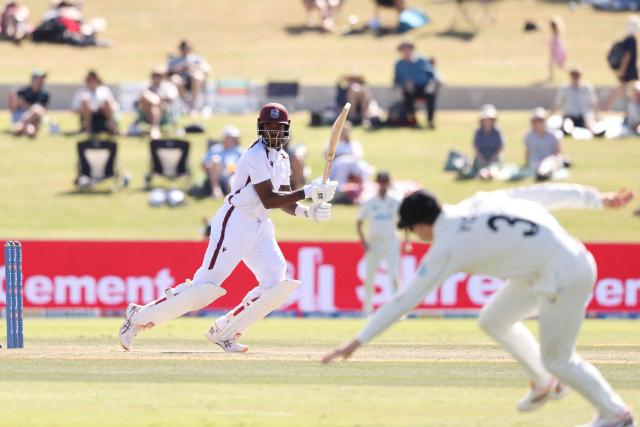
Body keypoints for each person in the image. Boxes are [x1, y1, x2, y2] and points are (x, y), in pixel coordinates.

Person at [322, 183, 637, 427]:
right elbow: (541, 193)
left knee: (558, 358)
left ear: (420, 226)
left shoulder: (446, 246)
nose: (417, 238)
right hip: (557, 264)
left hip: (563, 276)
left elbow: (406, 299)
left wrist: (356, 341)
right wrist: (596, 199)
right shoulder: (479, 201)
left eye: (413, 231)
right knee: (493, 319)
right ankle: (544, 382)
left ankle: (616, 415)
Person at [120, 103, 339, 353]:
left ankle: (224, 331)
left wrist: (307, 211)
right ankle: (137, 316)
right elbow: (268, 198)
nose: (274, 132)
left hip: (260, 225)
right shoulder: (255, 155)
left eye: (278, 127)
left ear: (286, 129)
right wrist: (309, 191)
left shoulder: (283, 158)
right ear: (260, 128)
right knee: (204, 288)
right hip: (236, 221)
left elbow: (284, 199)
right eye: (268, 127)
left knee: (276, 283)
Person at [356, 171, 402, 315]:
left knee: (394, 276)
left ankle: (397, 311)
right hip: (374, 242)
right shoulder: (370, 201)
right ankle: (367, 310)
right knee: (369, 277)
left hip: (391, 241)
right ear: (377, 183)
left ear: (388, 183)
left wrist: (406, 241)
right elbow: (359, 222)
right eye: (380, 182)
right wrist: (364, 242)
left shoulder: (396, 200)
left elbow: (404, 221)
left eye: (385, 182)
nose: (383, 184)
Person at [393, 41, 437, 129]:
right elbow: (396, 80)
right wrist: (404, 83)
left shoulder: (421, 60)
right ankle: (413, 119)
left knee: (430, 94)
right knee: (408, 93)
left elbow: (432, 75)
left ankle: (430, 121)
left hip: (424, 87)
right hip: (410, 89)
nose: (406, 51)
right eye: (404, 49)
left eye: (408, 49)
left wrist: (430, 85)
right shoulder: (399, 64)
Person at [604, 15, 640, 111]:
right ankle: (606, 106)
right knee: (626, 89)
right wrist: (622, 71)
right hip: (629, 70)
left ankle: (609, 106)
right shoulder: (631, 40)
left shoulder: (628, 39)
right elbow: (627, 56)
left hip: (629, 70)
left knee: (626, 90)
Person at [552, 68, 600, 136]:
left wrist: (597, 116)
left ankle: (595, 132)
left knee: (589, 121)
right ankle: (567, 131)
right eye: (574, 76)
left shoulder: (587, 88)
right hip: (570, 115)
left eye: (577, 76)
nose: (575, 78)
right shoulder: (564, 88)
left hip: (584, 115)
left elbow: (593, 103)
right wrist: (548, 116)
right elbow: (557, 104)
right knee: (568, 123)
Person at [167, 39, 210, 116]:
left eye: (187, 48)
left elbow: (206, 69)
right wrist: (180, 68)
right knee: (175, 80)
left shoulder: (197, 59)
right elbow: (168, 72)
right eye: (183, 48)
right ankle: (189, 106)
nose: (185, 50)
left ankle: (193, 107)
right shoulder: (175, 60)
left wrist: (193, 67)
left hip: (195, 82)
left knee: (196, 77)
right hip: (181, 82)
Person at [136, 67, 179, 140]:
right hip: (146, 112)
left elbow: (172, 98)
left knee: (155, 106)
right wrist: (154, 100)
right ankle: (155, 129)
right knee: (150, 101)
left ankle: (154, 128)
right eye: (154, 75)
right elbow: (140, 99)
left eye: (159, 75)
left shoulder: (168, 86)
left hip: (165, 112)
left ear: (163, 76)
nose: (156, 77)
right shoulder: (145, 86)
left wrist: (158, 99)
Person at [202, 125, 244, 198]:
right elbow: (204, 164)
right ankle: (216, 190)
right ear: (224, 138)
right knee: (215, 160)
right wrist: (212, 166)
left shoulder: (239, 151)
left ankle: (231, 195)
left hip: (233, 175)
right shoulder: (215, 149)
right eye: (230, 138)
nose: (233, 140)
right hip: (217, 176)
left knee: (233, 180)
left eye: (234, 139)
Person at [525, 108, 567, 181]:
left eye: (540, 120)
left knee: (548, 162)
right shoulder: (529, 136)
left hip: (550, 160)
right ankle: (542, 174)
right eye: (536, 121)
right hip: (535, 161)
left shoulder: (552, 134)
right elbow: (528, 151)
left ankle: (543, 174)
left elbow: (557, 151)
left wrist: (556, 160)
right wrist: (526, 163)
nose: (538, 123)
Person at [71, 70, 118, 135]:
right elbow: (74, 109)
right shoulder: (81, 92)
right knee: (85, 100)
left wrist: (101, 108)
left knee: (106, 101)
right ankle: (88, 127)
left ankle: (112, 126)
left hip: (102, 115)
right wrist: (87, 110)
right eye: (89, 80)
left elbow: (113, 106)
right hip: (87, 116)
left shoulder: (104, 90)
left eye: (93, 80)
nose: (91, 82)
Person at [9, 70, 49, 138]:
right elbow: (18, 105)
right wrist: (33, 109)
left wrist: (34, 110)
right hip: (21, 116)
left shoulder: (45, 94)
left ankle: (20, 126)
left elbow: (44, 110)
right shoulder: (23, 91)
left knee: (36, 111)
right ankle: (21, 127)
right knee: (31, 130)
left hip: (35, 118)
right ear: (33, 80)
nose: (42, 81)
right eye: (40, 79)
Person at [468, 104, 504, 180]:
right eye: (486, 119)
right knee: (482, 172)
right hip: (481, 159)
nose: (488, 121)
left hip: (494, 159)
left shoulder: (497, 132)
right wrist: (483, 160)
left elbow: (500, 147)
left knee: (493, 171)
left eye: (490, 119)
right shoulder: (478, 132)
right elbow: (476, 148)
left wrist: (491, 159)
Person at [548, 16, 567, 82]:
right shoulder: (553, 32)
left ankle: (572, 73)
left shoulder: (557, 32)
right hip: (554, 51)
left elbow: (557, 43)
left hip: (557, 52)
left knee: (560, 66)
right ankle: (551, 76)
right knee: (552, 65)